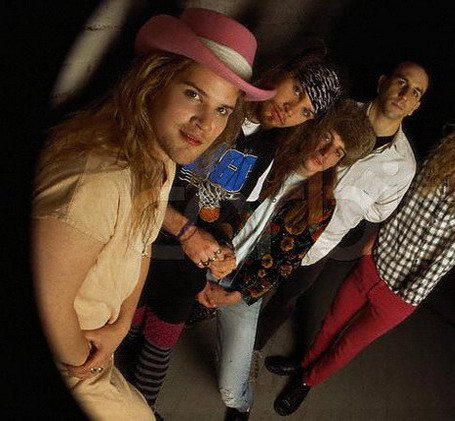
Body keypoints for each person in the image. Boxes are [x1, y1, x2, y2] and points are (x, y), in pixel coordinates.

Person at [30, 8, 273, 420]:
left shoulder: (158, 158)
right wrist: (85, 359)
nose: (205, 124)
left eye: (222, 110)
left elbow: (144, 238)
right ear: (153, 81)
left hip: (99, 342)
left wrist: (123, 323)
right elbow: (47, 306)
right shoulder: (98, 181)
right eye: (194, 94)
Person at [268, 100, 455, 415]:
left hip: (404, 293)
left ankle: (306, 381)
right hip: (375, 263)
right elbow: (400, 202)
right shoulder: (438, 162)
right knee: (331, 323)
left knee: (349, 345)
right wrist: (375, 238)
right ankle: (304, 363)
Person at [117, 50, 342, 413]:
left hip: (187, 258)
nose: (291, 110)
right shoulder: (216, 110)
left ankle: (142, 408)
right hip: (142, 237)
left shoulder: (271, 150)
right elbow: (137, 180)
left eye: (306, 112)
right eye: (297, 90)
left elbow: (230, 211)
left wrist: (224, 246)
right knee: (123, 328)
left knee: (162, 339)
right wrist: (188, 232)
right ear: (281, 70)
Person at [199, 99, 375, 420]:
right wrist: (204, 266)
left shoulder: (321, 204)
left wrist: (235, 295)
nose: (326, 153)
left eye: (338, 152)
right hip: (205, 257)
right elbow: (215, 203)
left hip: (243, 288)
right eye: (327, 137)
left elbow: (285, 261)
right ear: (313, 129)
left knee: (231, 390)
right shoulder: (267, 156)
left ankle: (243, 404)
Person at [254, 61, 430, 353]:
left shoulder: (404, 165)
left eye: (415, 92)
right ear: (382, 82)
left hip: (321, 241)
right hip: (277, 212)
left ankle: (254, 348)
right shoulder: (339, 111)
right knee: (247, 266)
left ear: (416, 106)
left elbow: (379, 212)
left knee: (287, 296)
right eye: (401, 82)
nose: (404, 94)